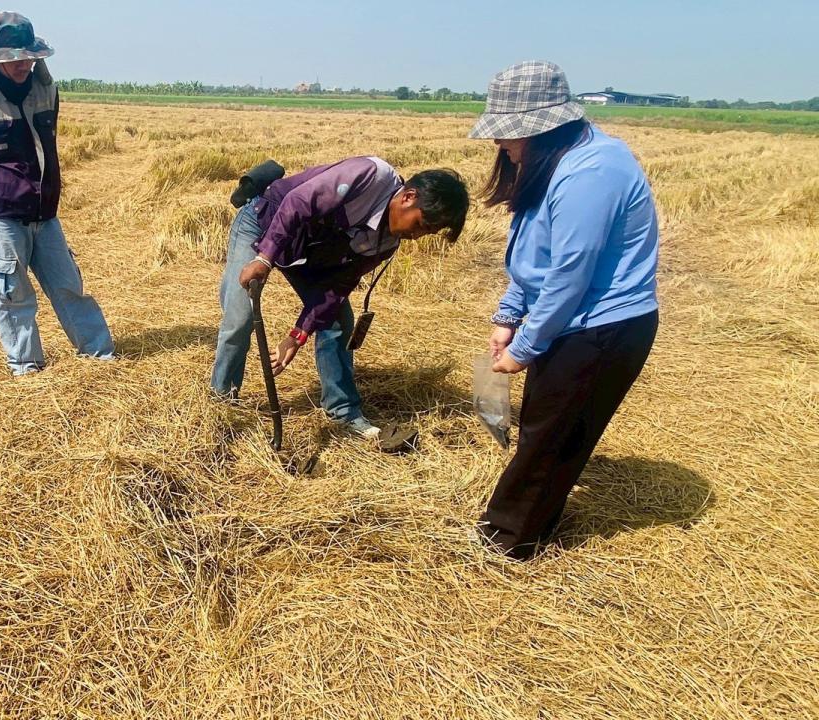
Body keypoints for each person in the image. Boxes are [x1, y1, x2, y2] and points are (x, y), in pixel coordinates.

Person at [469, 61, 660, 559]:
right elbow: (534, 258)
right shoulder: (552, 163)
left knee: (550, 437)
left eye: (508, 131)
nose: (499, 143)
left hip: (603, 327)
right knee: (547, 426)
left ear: (543, 127)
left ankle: (508, 542)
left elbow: (570, 274)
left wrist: (527, 346)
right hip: (569, 320)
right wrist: (509, 316)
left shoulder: (593, 172)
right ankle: (528, 523)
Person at [211, 158, 469, 440]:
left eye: (426, 233)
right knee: (241, 315)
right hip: (265, 224)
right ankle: (222, 402)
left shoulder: (386, 242)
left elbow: (336, 286)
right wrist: (264, 258)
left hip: (305, 253)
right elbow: (298, 203)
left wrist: (297, 336)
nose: (416, 236)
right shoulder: (369, 176)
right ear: (408, 197)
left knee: (337, 322)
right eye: (420, 225)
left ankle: (343, 411)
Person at [0, 11, 114, 376]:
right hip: (3, 217)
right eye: (14, 59)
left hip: (46, 214)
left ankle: (99, 355)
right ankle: (26, 366)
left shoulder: (46, 91)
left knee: (69, 286)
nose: (23, 64)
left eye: (28, 57)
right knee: (13, 295)